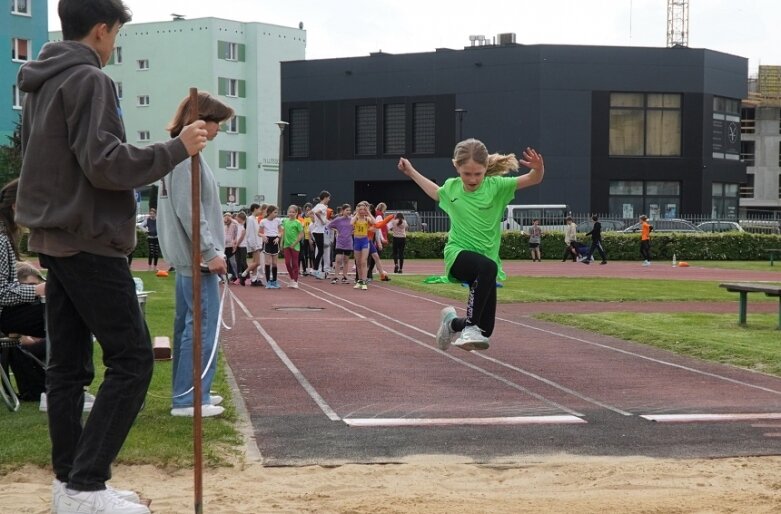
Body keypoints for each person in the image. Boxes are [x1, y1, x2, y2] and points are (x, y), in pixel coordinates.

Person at [16, 1, 209, 511]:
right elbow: (105, 165)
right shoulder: (90, 79)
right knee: (132, 360)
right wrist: (177, 149)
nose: (115, 43)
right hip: (89, 239)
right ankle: (85, 485)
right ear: (103, 30)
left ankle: (71, 484)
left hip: (57, 235)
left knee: (69, 367)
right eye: (117, 33)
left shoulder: (40, 80)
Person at [397, 138, 544, 352]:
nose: (472, 179)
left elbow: (533, 179)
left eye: (478, 173)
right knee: (487, 269)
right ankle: (470, 327)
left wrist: (539, 168)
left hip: (486, 264)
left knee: (486, 331)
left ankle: (451, 323)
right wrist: (411, 172)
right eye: (467, 173)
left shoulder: (497, 187)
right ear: (456, 166)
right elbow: (435, 192)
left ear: (486, 168)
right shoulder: (452, 188)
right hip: (458, 255)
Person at [157, 91, 231, 421]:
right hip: (196, 258)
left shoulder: (180, 157)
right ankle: (189, 398)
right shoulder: (186, 160)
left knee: (190, 326)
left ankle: (189, 391)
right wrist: (210, 252)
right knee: (201, 328)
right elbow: (191, 211)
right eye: (218, 123)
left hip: (189, 258)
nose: (218, 131)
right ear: (203, 121)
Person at [0, 180, 47, 402]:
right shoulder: (1, 239)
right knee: (64, 316)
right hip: (3, 314)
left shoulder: (5, 236)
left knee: (62, 316)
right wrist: (37, 290)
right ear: (16, 206)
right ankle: (64, 386)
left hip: (6, 313)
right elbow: (1, 294)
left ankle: (46, 385)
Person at [326, 204, 354, 284]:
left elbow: (356, 227)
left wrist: (352, 232)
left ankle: (345, 276)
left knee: (346, 260)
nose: (348, 212)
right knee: (338, 260)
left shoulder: (352, 219)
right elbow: (329, 226)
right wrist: (336, 230)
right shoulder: (338, 219)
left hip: (348, 242)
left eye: (349, 210)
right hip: (340, 242)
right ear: (342, 211)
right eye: (347, 210)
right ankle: (336, 276)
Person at [351, 201, 375, 290]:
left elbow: (374, 222)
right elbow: (351, 223)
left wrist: (368, 212)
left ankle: (364, 281)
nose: (361, 211)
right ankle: (360, 280)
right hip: (357, 241)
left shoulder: (367, 218)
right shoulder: (356, 218)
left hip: (364, 241)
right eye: (360, 209)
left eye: (363, 209)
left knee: (363, 261)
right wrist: (357, 213)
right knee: (358, 262)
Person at [279, 205, 304, 288]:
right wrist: (281, 243)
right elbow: (283, 232)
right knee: (287, 263)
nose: (291, 213)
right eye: (290, 212)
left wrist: (295, 243)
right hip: (286, 245)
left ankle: (295, 281)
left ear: (296, 213)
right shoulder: (285, 221)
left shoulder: (298, 222)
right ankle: (292, 278)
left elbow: (301, 234)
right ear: (287, 212)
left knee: (294, 263)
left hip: (295, 246)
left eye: (293, 212)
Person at [258, 205, 282, 288]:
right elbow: (259, 233)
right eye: (275, 212)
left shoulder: (278, 221)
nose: (276, 214)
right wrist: (263, 236)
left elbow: (281, 231)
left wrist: (278, 237)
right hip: (267, 241)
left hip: (275, 241)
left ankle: (274, 281)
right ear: (269, 212)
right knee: (267, 262)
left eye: (277, 212)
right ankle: (268, 282)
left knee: (275, 263)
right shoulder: (263, 221)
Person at [240, 203, 263, 286]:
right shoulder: (250, 219)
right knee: (257, 263)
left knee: (255, 262)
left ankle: (254, 280)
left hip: (256, 243)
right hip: (254, 243)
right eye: (259, 209)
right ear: (255, 209)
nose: (260, 211)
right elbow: (249, 232)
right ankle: (243, 275)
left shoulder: (254, 219)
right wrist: (253, 244)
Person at [309, 191, 331, 279]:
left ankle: (315, 269)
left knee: (320, 250)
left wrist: (315, 221)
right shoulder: (323, 207)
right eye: (328, 198)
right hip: (319, 231)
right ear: (325, 197)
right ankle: (315, 270)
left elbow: (309, 213)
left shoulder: (317, 205)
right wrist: (322, 221)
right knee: (321, 251)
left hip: (316, 230)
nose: (329, 200)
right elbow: (317, 213)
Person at [233, 212, 248, 285]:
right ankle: (239, 277)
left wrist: (237, 244)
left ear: (240, 218)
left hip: (243, 246)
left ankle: (247, 277)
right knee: (238, 262)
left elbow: (241, 237)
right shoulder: (237, 225)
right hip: (238, 246)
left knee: (243, 262)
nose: (236, 218)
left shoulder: (244, 226)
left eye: (237, 217)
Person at [223, 212, 240, 280]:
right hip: (224, 246)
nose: (226, 219)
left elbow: (237, 223)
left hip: (231, 246)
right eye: (225, 217)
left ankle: (236, 276)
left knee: (233, 262)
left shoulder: (234, 225)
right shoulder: (223, 226)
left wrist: (230, 218)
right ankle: (226, 277)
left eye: (228, 217)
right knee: (225, 262)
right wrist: (224, 219)